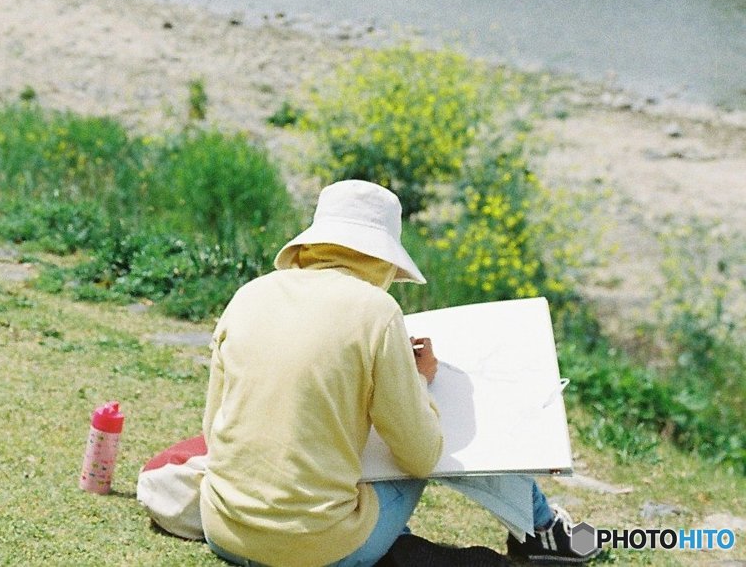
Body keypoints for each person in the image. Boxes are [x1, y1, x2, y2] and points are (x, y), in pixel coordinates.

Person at [201, 180, 596, 567]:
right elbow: (421, 456)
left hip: (224, 531)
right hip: (317, 551)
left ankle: (411, 543)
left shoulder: (248, 296)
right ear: (384, 257)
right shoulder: (377, 312)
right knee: (445, 437)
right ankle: (541, 528)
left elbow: (211, 431)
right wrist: (419, 382)